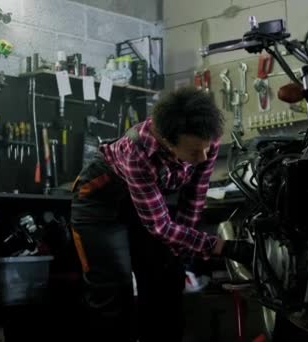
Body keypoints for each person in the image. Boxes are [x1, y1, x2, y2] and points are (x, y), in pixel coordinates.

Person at [69, 86, 254, 341]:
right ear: (167, 142)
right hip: (101, 205)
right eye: (192, 152)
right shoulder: (137, 151)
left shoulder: (204, 137)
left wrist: (181, 250)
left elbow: (194, 198)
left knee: (166, 280)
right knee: (114, 291)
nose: (202, 157)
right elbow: (161, 228)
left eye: (206, 149)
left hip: (144, 206)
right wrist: (222, 247)